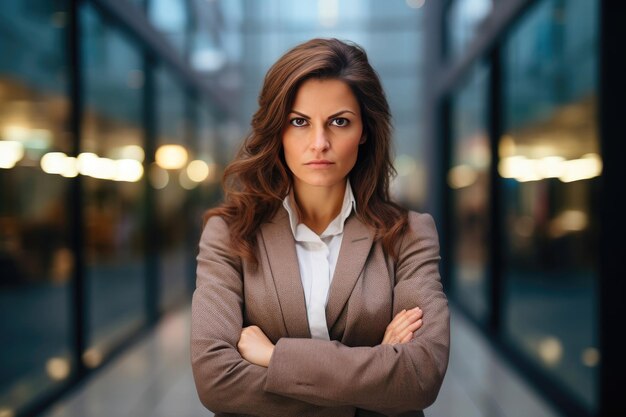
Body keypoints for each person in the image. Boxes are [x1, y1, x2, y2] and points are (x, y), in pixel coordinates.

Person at [191, 38, 449, 417]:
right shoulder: (229, 233)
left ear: (364, 130)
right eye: (299, 122)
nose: (319, 143)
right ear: (277, 130)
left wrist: (275, 356)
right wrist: (371, 374)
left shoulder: (409, 233)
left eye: (339, 122)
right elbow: (215, 380)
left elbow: (421, 376)